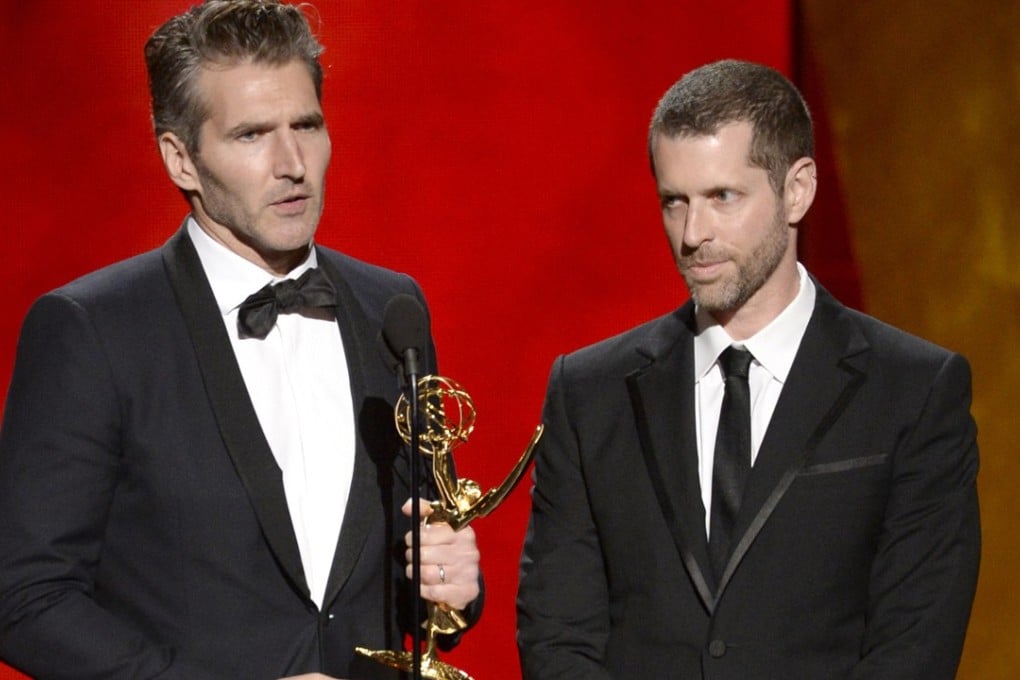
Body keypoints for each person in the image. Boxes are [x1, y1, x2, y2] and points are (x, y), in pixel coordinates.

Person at [0, 2, 481, 678]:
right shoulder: (92, 330)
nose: (293, 164)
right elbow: (24, 597)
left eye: (307, 126)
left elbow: (411, 566)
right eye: (252, 135)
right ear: (182, 159)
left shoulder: (390, 308)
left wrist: (450, 591)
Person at [516, 59, 980, 679]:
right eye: (674, 202)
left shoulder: (914, 390)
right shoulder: (589, 392)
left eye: (721, 198)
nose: (692, 234)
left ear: (798, 190)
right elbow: (558, 637)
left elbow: (914, 646)